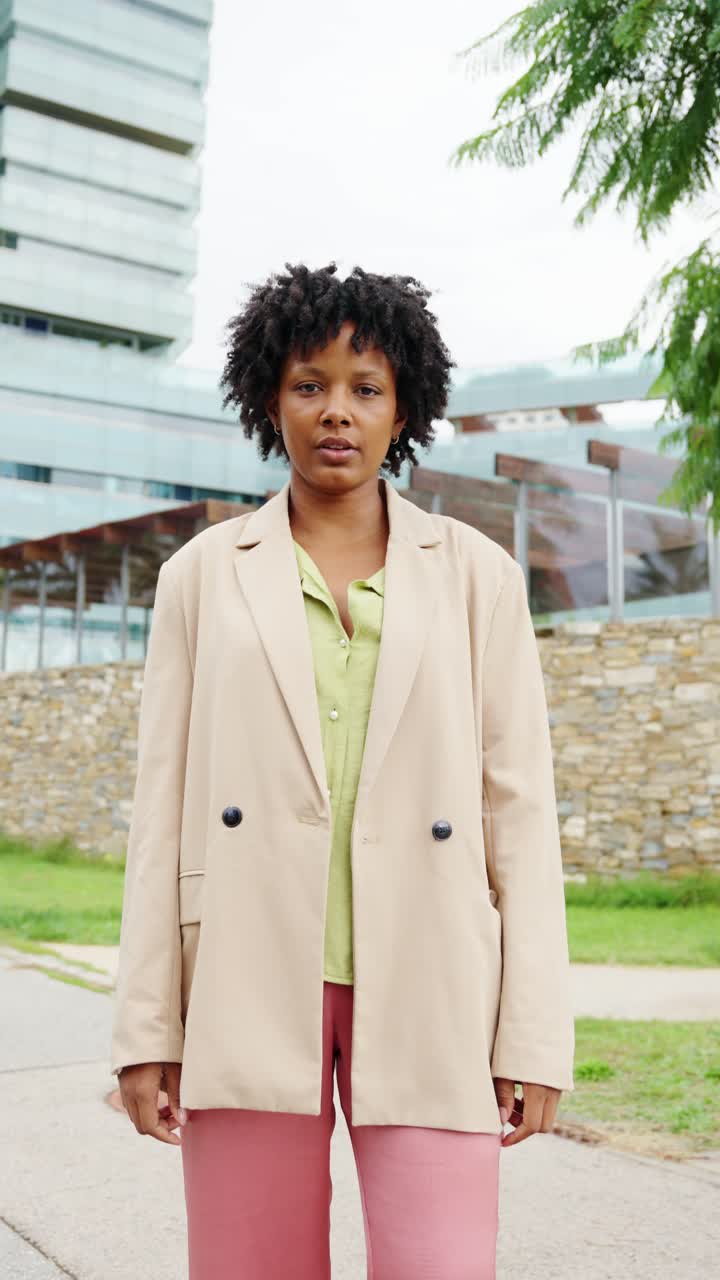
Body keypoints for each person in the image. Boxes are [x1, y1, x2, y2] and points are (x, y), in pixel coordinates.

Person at [110, 261, 575, 1279]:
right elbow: (160, 809)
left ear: (403, 403)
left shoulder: (478, 577)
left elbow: (520, 814)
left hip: (435, 971)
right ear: (268, 398)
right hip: (241, 966)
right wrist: (147, 1026)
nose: (336, 412)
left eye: (366, 388)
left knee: (441, 1266)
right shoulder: (202, 575)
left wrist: (534, 1034)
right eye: (309, 383)